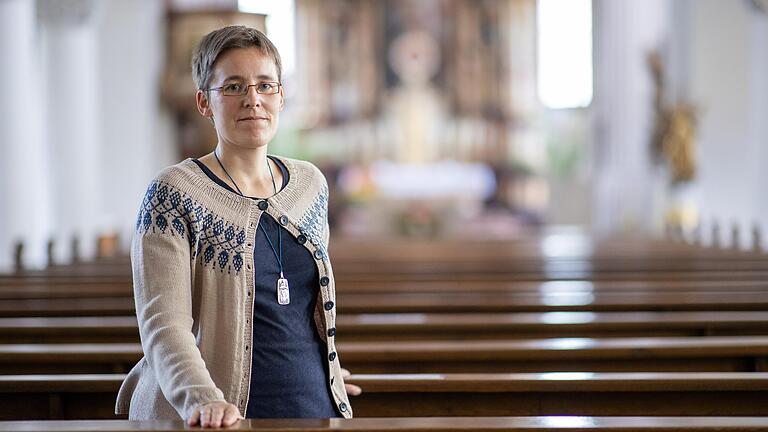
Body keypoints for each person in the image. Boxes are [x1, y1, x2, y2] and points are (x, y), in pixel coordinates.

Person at [115, 25, 360, 428]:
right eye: (233, 87)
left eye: (265, 85)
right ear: (204, 102)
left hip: (311, 406)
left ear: (281, 96)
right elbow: (164, 325)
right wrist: (202, 399)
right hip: (216, 417)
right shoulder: (173, 192)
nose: (253, 100)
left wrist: (323, 370)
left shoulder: (310, 185)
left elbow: (300, 309)